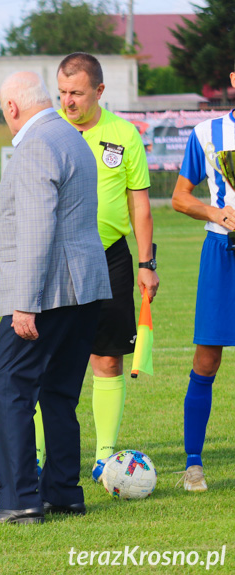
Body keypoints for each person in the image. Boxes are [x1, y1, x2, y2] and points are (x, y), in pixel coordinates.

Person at [0, 72, 111, 524]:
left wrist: (25, 302)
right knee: (59, 393)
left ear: (12, 108)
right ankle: (62, 493)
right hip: (83, 289)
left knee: (9, 387)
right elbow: (30, 213)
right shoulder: (68, 135)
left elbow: (39, 228)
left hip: (48, 291)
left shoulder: (34, 145)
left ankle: (20, 500)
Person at [37, 52, 159, 482]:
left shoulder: (123, 134)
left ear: (100, 92)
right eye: (62, 92)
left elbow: (138, 203)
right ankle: (39, 454)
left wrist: (147, 262)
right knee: (45, 357)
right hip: (52, 258)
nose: (67, 101)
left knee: (106, 357)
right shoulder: (46, 131)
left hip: (109, 257)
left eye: (76, 93)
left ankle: (105, 456)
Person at [171, 68, 235, 493]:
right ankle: (193, 464)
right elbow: (179, 196)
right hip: (222, 253)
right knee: (207, 358)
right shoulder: (208, 133)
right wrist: (217, 214)